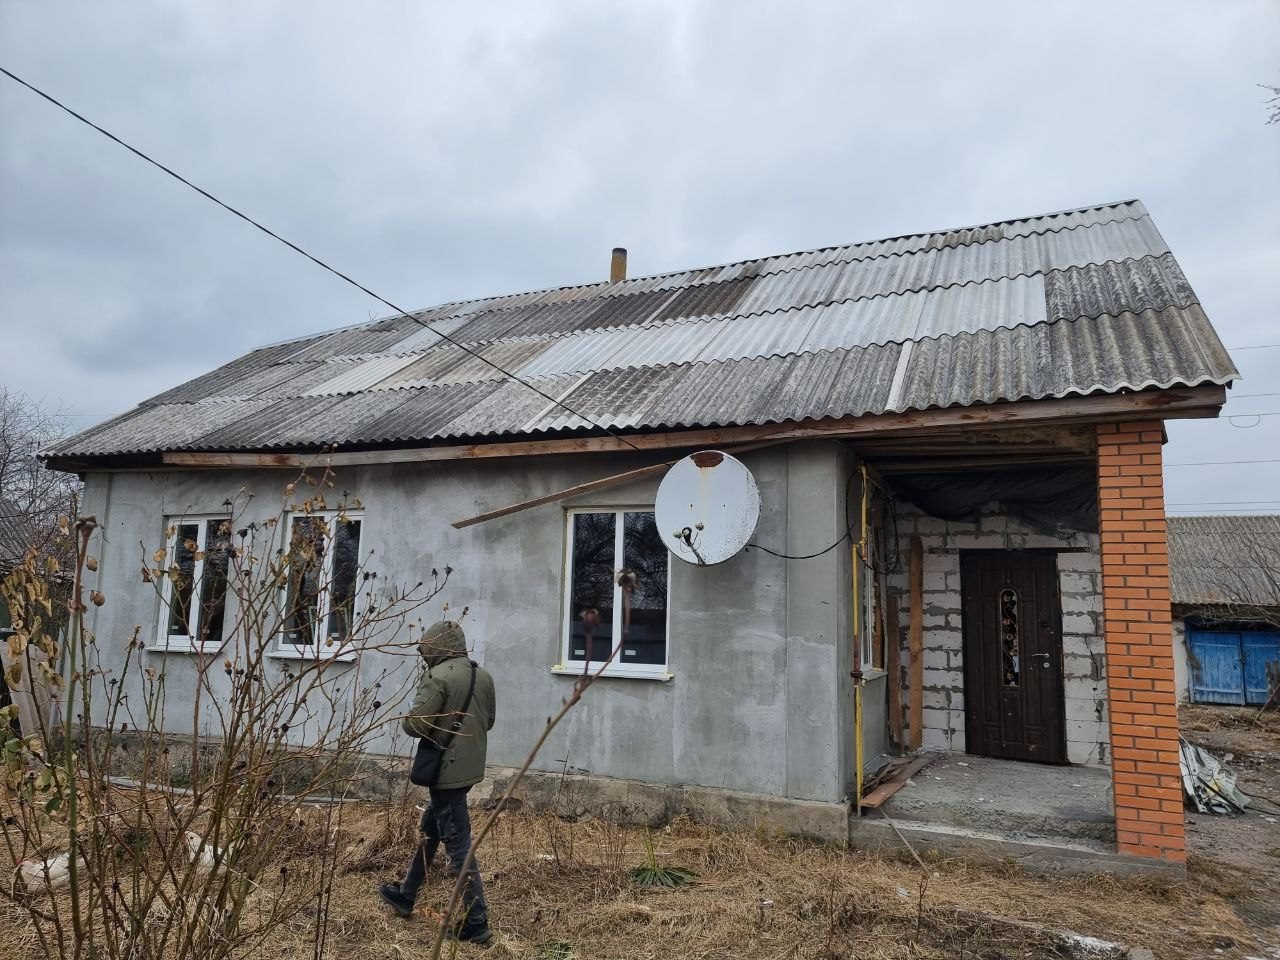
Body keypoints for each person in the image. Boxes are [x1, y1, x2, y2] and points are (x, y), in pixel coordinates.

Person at [379, 620, 496, 946]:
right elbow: (489, 721)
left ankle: (477, 921)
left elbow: (415, 726)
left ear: (434, 648)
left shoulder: (437, 677)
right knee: (431, 829)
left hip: (444, 772)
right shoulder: (482, 675)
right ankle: (406, 894)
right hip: (469, 770)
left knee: (457, 845)